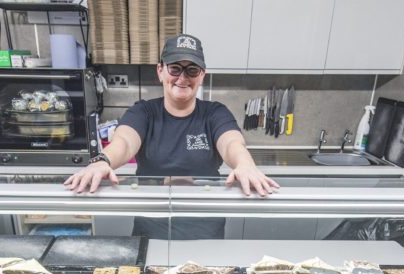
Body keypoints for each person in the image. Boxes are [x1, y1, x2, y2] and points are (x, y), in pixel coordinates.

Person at [63, 33, 279, 204]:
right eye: (175, 68)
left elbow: (232, 143)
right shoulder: (144, 112)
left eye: (192, 70)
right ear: (160, 71)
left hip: (204, 223)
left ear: (202, 76)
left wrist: (246, 164)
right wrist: (102, 161)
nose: (182, 78)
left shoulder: (214, 113)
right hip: (151, 219)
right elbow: (124, 142)